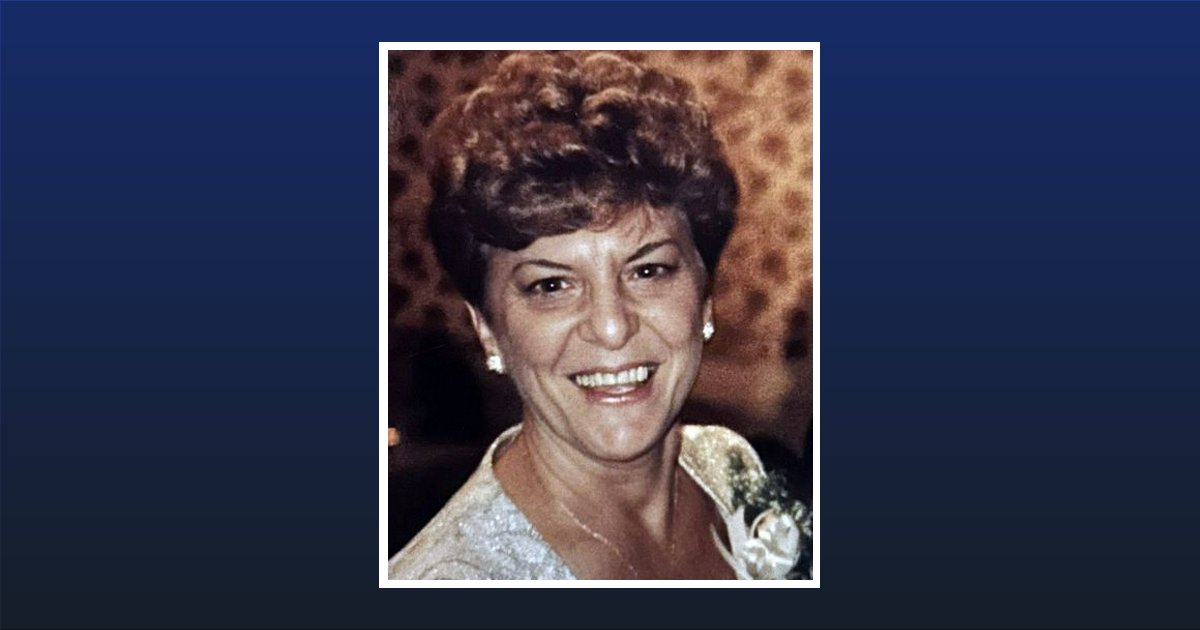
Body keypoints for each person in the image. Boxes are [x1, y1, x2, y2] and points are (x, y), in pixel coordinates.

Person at [388, 51, 811, 580]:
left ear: (704, 296)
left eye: (648, 271)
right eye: (552, 286)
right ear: (488, 329)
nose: (612, 327)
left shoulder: (729, 469)